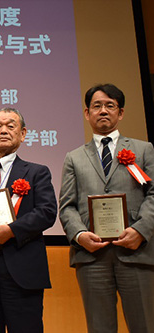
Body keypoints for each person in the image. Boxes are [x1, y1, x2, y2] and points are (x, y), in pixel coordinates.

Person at [59, 83, 154, 332]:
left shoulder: (143, 150)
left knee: (144, 323)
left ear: (120, 113)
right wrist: (80, 236)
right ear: (86, 113)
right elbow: (67, 205)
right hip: (92, 256)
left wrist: (141, 230)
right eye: (97, 106)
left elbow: (153, 194)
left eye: (110, 106)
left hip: (137, 250)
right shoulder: (74, 157)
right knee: (99, 327)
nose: (103, 111)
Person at [0, 107, 57, 333]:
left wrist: (11, 230)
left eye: (10, 126)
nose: (3, 130)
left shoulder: (37, 172)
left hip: (21, 264)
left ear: (23, 134)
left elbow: (47, 212)